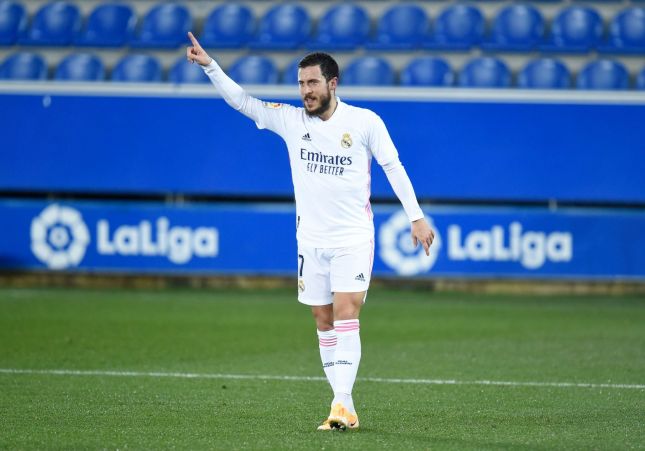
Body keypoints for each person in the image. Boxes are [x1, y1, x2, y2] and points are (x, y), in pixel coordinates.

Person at [186, 32, 435, 431]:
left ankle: (341, 404)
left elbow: (393, 166)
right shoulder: (290, 120)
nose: (306, 91)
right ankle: (344, 406)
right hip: (310, 240)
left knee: (346, 311)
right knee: (322, 318)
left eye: (313, 82)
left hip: (353, 238)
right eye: (301, 83)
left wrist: (416, 216)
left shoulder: (365, 122)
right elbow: (244, 102)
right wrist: (211, 66)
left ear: (332, 83)